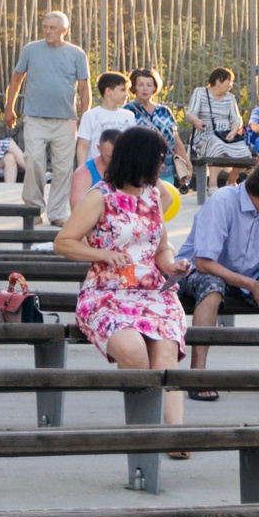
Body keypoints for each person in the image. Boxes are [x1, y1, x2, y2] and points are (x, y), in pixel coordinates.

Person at [55, 126, 190, 451]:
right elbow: (63, 243)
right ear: (139, 159)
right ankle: (145, 436)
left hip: (153, 293)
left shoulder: (155, 195)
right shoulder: (100, 195)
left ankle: (177, 436)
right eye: (158, 159)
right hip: (107, 293)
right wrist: (102, 254)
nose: (162, 165)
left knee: (165, 354)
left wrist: (171, 265)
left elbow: (161, 248)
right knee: (133, 353)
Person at [175, 156, 259, 398]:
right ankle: (198, 375)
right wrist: (252, 284)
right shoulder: (222, 202)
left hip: (249, 276)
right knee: (212, 287)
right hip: (195, 271)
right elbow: (204, 263)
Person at [5, 10, 90, 223]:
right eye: (45, 27)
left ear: (64, 30)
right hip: (35, 116)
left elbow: (84, 87)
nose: (47, 31)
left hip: (66, 119)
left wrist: (84, 115)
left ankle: (58, 214)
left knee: (63, 168)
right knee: (33, 160)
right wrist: (9, 107)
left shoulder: (77, 53)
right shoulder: (31, 49)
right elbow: (16, 78)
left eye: (52, 28)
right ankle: (34, 210)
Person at [183, 67, 254, 188]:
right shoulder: (200, 92)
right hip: (205, 133)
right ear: (218, 81)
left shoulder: (230, 98)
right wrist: (197, 122)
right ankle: (213, 185)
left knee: (245, 153)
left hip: (226, 134)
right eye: (228, 82)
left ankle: (231, 180)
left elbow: (236, 119)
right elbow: (190, 113)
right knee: (217, 145)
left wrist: (233, 131)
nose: (230, 85)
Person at [77, 73, 135, 168]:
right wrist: (82, 170)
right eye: (122, 90)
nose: (127, 94)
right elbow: (82, 146)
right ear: (108, 91)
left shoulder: (129, 116)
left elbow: (132, 145)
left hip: (122, 168)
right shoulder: (90, 115)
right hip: (97, 168)